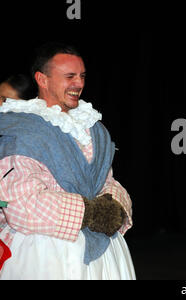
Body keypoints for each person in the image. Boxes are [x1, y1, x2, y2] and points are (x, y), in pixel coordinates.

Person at [0, 42, 135, 279]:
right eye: (69, 76)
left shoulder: (93, 128)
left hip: (102, 254)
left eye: (82, 76)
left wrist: (115, 206)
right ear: (42, 79)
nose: (79, 83)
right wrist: (88, 212)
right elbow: (19, 204)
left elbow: (106, 180)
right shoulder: (21, 130)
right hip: (45, 253)